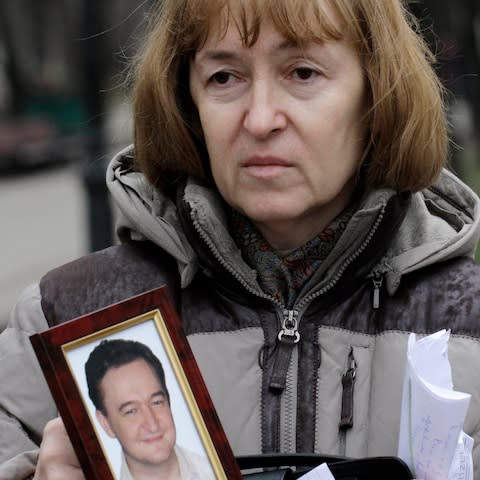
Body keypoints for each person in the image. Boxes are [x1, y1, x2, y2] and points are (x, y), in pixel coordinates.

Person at [0, 0, 479, 478]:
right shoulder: (65, 319)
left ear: (378, 93)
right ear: (187, 103)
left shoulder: (469, 322)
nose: (260, 119)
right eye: (224, 78)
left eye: (303, 73)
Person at [84, 339, 215, 480]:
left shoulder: (218, 471)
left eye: (156, 402)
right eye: (131, 411)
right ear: (106, 424)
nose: (152, 425)